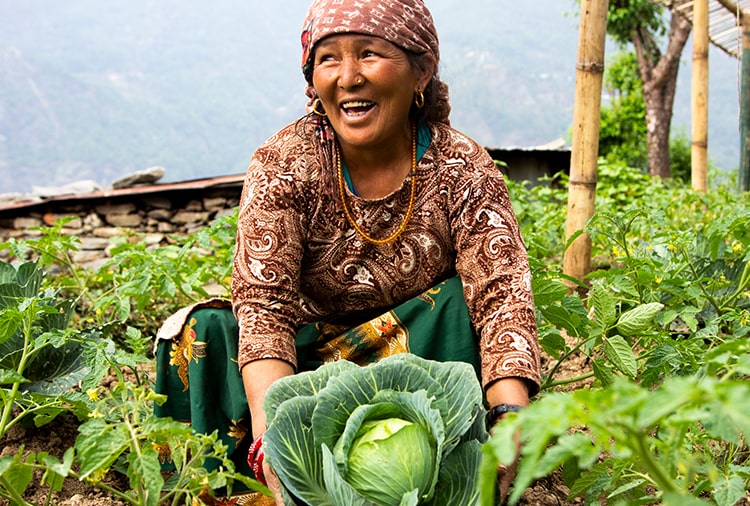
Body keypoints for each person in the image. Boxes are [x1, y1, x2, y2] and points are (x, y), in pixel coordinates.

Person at [154, 0, 541, 504]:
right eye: (329, 59)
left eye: (370, 54)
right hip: (300, 366)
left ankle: (449, 477)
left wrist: (510, 418)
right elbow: (265, 308)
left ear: (421, 69)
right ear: (312, 78)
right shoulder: (284, 163)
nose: (348, 77)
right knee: (200, 333)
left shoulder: (461, 166)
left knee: (455, 303)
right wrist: (280, 443)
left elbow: (502, 294)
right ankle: (229, 487)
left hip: (411, 370)